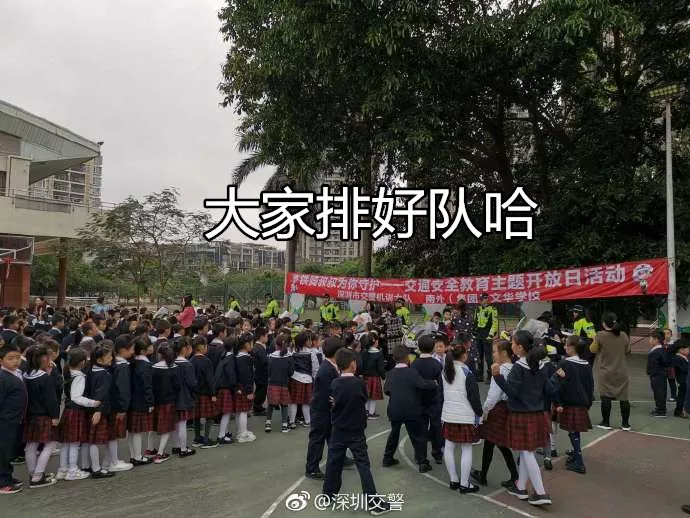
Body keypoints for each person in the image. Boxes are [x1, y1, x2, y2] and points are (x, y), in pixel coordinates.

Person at [322, 347, 391, 517]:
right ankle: (373, 503)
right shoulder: (359, 383)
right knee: (363, 465)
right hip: (356, 430)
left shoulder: (335, 383)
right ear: (353, 364)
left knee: (333, 462)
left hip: (338, 429)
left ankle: (328, 496)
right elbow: (363, 399)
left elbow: (332, 402)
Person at [492, 330, 552, 507]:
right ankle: (521, 488)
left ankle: (540, 492)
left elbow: (512, 392)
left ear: (520, 347)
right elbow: (547, 389)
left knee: (526, 452)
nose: (511, 345)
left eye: (513, 343)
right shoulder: (542, 365)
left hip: (521, 414)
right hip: (537, 413)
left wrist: (497, 377)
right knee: (527, 451)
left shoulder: (519, 367)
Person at [470, 339, 519, 491]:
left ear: (503, 353)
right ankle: (484, 474)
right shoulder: (515, 368)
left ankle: (514, 477)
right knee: (492, 442)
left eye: (494, 351)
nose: (493, 355)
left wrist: (485, 411)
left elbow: (493, 395)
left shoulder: (500, 369)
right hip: (509, 408)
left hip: (497, 410)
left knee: (499, 444)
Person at [382, 344, 437, 473]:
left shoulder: (390, 373)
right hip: (411, 409)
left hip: (395, 409)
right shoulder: (412, 372)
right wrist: (433, 383)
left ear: (394, 358)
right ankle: (422, 462)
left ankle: (387, 457)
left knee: (394, 433)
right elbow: (422, 384)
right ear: (407, 358)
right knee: (417, 435)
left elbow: (387, 390)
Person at [549, 335, 594, 475]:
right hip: (583, 403)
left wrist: (558, 402)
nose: (564, 347)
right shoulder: (586, 364)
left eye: (566, 345)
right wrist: (588, 403)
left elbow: (557, 384)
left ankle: (579, 462)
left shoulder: (565, 364)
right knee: (574, 431)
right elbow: (590, 386)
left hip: (570, 402)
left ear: (573, 347)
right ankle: (576, 454)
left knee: (573, 431)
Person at [441, 344, 482, 493]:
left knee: (449, 447)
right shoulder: (467, 372)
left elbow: (441, 393)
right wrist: (479, 413)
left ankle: (453, 480)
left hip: (448, 415)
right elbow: (474, 397)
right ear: (464, 356)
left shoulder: (445, 371)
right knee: (466, 448)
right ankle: (465, 484)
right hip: (465, 416)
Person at [305, 336, 343, 479]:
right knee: (318, 439)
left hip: (326, 410)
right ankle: (312, 468)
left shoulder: (331, 366)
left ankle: (339, 458)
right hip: (321, 410)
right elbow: (327, 393)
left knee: (333, 436)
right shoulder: (326, 370)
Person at [22, 345, 59, 488]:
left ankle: (33, 474)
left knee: (31, 445)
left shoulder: (25, 375)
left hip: (31, 416)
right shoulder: (44, 378)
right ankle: (38, 477)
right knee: (50, 443)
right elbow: (51, 399)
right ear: (43, 359)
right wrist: (55, 416)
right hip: (44, 416)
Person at [590, 312, 631, 430]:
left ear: (604, 323)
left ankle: (606, 422)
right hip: (622, 371)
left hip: (606, 371)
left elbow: (593, 350)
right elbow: (628, 351)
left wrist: (594, 339)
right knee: (624, 398)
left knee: (606, 397)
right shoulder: (623, 335)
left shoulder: (600, 335)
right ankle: (625, 424)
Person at [85, 342, 116, 479]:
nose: (111, 358)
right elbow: (101, 394)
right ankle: (98, 468)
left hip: (90, 409)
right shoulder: (104, 374)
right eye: (108, 357)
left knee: (93, 441)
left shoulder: (90, 371)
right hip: (101, 411)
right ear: (99, 360)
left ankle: (96, 467)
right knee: (98, 442)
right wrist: (98, 410)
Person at [412, 335, 444, 464]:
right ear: (433, 348)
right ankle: (437, 453)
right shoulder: (437, 364)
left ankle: (421, 456)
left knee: (421, 429)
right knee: (436, 427)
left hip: (419, 400)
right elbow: (440, 384)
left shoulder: (414, 364)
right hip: (434, 400)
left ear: (419, 348)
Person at [0, 343, 27, 494]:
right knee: (3, 451)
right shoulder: (2, 377)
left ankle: (7, 476)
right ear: (1, 360)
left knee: (9, 450)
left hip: (16, 419)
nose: (15, 361)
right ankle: (2, 482)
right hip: (5, 421)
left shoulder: (17, 372)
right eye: (10, 358)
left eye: (17, 358)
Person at [107, 336, 134, 472]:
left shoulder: (112, 363)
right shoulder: (122, 366)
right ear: (123, 350)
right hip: (118, 406)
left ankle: (110, 460)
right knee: (114, 435)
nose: (133, 351)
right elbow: (123, 389)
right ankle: (113, 462)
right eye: (132, 348)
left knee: (112, 434)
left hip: (111, 403)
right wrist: (123, 408)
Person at [128, 338, 154, 466]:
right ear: (143, 350)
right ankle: (138, 457)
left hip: (131, 401)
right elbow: (147, 386)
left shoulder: (131, 363)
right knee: (138, 432)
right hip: (141, 402)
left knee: (132, 431)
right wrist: (150, 402)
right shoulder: (145, 365)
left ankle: (133, 456)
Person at [152, 344, 179, 464]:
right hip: (169, 402)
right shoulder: (174, 368)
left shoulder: (153, 368)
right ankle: (160, 453)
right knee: (166, 429)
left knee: (154, 428)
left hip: (155, 402)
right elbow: (177, 386)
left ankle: (150, 450)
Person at [190, 336, 218, 449]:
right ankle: (206, 439)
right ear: (202, 347)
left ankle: (197, 438)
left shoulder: (191, 360)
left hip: (195, 393)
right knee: (210, 416)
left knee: (196, 416)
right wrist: (213, 393)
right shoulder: (206, 361)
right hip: (206, 393)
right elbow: (209, 379)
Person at [173, 338, 197, 457]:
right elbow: (192, 383)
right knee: (183, 423)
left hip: (173, 397)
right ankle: (183, 448)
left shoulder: (172, 363)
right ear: (184, 349)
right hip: (185, 397)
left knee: (176, 424)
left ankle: (176, 446)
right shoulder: (187, 365)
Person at [265, 334, 294, 433]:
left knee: (271, 404)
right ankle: (284, 425)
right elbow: (291, 372)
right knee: (284, 404)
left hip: (272, 383)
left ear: (276, 345)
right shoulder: (289, 356)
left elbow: (268, 371)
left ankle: (268, 424)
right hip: (284, 383)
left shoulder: (271, 356)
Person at [289, 332, 314, 428]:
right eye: (308, 340)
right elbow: (315, 367)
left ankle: (292, 421)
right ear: (304, 342)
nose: (310, 342)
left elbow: (290, 365)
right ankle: (307, 421)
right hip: (308, 379)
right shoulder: (311, 352)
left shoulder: (292, 352)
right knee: (306, 401)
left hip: (295, 378)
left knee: (293, 401)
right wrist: (313, 376)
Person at [234, 332, 256, 443]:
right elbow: (246, 375)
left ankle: (240, 431)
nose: (252, 345)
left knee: (240, 411)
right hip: (244, 387)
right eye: (251, 343)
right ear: (246, 344)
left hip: (239, 386)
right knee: (243, 411)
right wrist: (249, 391)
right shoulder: (245, 358)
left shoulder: (237, 356)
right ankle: (243, 433)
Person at [214, 337, 237, 445]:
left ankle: (225, 432)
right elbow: (231, 375)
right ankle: (221, 435)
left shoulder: (223, 356)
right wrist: (235, 388)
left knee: (225, 412)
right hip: (226, 387)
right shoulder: (230, 358)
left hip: (220, 387)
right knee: (226, 413)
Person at [474, 293, 498, 382]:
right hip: (479, 335)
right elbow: (475, 321)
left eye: (483, 299)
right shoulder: (477, 309)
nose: (481, 300)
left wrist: (491, 335)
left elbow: (495, 323)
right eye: (480, 299)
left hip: (487, 334)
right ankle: (480, 375)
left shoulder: (493, 309)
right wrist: (474, 332)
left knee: (488, 357)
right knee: (479, 356)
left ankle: (490, 375)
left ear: (487, 299)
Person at [361, 333, 386, 420]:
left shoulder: (364, 352)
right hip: (375, 378)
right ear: (375, 341)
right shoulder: (379, 354)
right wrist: (383, 377)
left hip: (365, 377)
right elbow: (381, 368)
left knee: (367, 396)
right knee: (373, 397)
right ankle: (371, 413)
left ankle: (366, 411)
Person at [647, 330, 668, 418]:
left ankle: (661, 411)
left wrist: (652, 373)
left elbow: (655, 364)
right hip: (658, 374)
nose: (649, 340)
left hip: (657, 375)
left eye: (651, 338)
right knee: (657, 392)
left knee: (659, 392)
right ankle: (659, 408)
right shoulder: (659, 349)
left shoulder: (658, 351)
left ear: (656, 340)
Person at [252, 327, 270, 417]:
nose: (267, 338)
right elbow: (264, 361)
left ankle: (258, 406)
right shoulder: (259, 347)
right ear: (261, 337)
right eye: (266, 336)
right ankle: (257, 407)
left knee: (260, 390)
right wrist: (269, 358)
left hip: (259, 373)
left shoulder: (258, 346)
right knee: (261, 391)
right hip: (261, 373)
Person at [673, 341, 689, 417]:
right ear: (681, 350)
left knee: (683, 396)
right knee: (682, 397)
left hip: (684, 380)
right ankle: (679, 411)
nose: (689, 351)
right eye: (688, 349)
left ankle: (681, 411)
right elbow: (685, 369)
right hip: (683, 381)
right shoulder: (678, 358)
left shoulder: (683, 358)